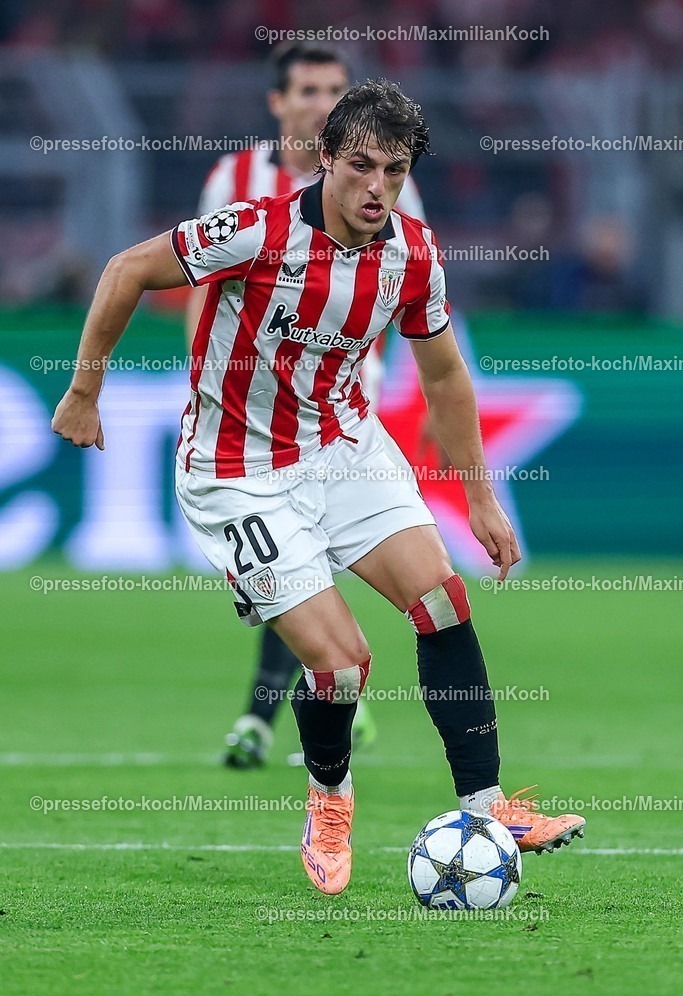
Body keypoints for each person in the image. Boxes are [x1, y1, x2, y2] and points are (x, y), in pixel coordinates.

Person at [52, 79, 586, 896]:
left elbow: (444, 376)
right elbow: (128, 269)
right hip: (237, 475)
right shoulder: (255, 230)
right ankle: (329, 799)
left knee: (443, 599)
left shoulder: (413, 252)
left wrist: (478, 497)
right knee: (342, 666)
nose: (377, 187)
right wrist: (85, 390)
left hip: (342, 449)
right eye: (362, 166)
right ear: (326, 159)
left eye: (395, 170)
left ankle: (487, 806)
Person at [186, 42, 426, 769]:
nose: (322, 101)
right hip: (250, 396)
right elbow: (197, 271)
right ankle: (322, 698)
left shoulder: (385, 179)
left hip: (344, 397)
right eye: (308, 88)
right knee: (292, 552)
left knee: (310, 549)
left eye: (334, 88)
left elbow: (407, 275)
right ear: (277, 102)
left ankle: (274, 711)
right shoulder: (233, 179)